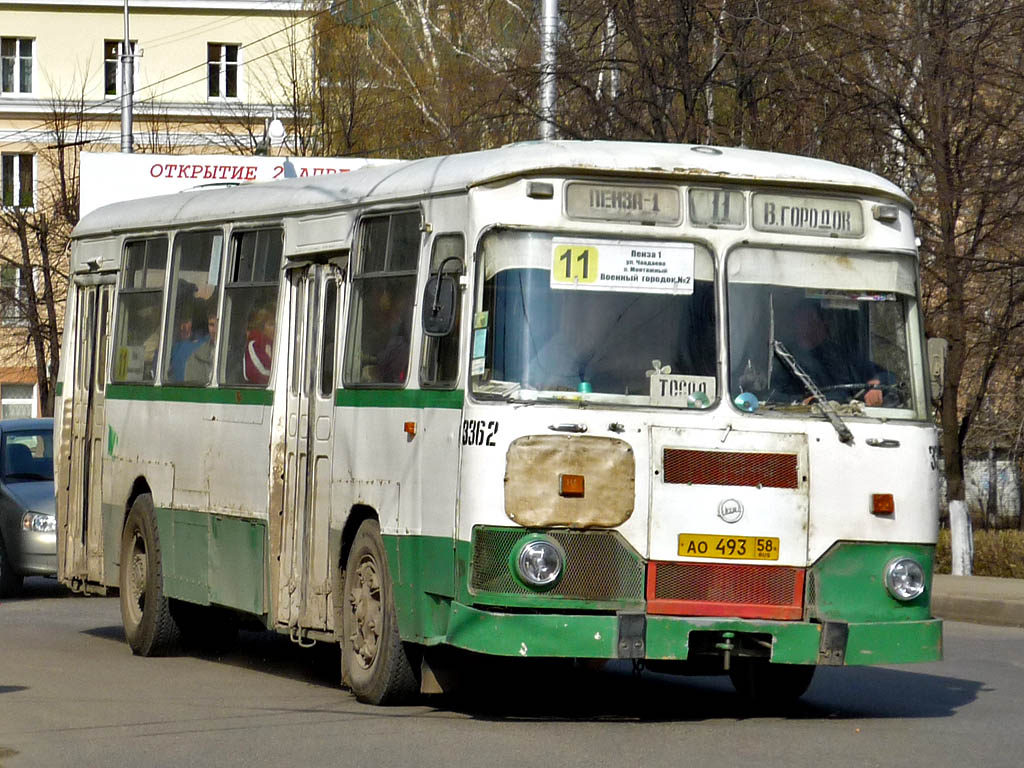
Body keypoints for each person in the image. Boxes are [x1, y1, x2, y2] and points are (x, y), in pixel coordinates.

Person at [775, 301, 886, 406]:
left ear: (823, 323)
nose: (810, 324)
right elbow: (770, 396)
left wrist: (877, 383)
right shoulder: (785, 358)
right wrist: (802, 402)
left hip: (849, 418)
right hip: (803, 420)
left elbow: (887, 376)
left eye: (813, 319)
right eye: (805, 320)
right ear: (795, 325)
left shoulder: (843, 356)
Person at [184, 301, 218, 382]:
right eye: (211, 325)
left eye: (219, 324)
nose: (215, 330)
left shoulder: (235, 354)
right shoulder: (197, 355)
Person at [244, 304, 275, 386]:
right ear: (262, 327)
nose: (275, 327)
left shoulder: (276, 346)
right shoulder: (254, 345)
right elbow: (256, 372)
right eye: (271, 324)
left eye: (277, 323)